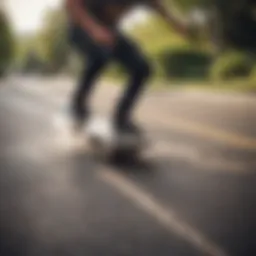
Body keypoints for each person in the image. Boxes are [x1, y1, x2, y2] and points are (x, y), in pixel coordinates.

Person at [66, 0, 189, 134]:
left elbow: (158, 6)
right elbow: (72, 4)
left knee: (142, 68)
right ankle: (78, 105)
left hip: (110, 31)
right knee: (100, 56)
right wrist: (94, 29)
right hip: (81, 28)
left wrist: (176, 24)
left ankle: (121, 117)